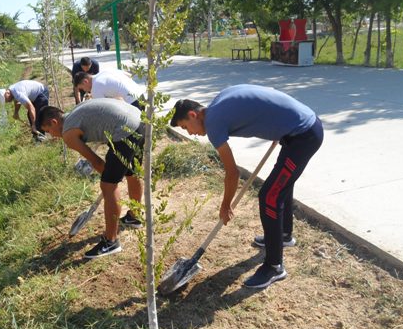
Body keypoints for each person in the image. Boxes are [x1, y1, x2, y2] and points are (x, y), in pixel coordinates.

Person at [169, 84, 323, 289]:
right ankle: (284, 235)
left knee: (269, 196)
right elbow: (262, 96)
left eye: (186, 127)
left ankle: (274, 267)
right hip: (300, 127)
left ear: (193, 115)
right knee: (280, 185)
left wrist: (225, 206)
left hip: (303, 135)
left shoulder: (213, 123)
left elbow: (232, 173)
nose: (191, 133)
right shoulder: (218, 101)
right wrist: (277, 120)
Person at [37, 99, 144, 259]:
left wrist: (110, 181)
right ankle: (134, 217)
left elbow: (96, 162)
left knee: (108, 186)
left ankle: (111, 242)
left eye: (48, 131)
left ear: (54, 122)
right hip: (139, 122)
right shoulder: (75, 113)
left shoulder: (68, 133)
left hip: (124, 131)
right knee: (131, 172)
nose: (52, 136)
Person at [73, 70, 145, 110]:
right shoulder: (104, 72)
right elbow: (128, 75)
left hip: (133, 102)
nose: (85, 91)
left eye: (82, 88)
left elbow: (104, 109)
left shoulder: (95, 88)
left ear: (85, 81)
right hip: (141, 94)